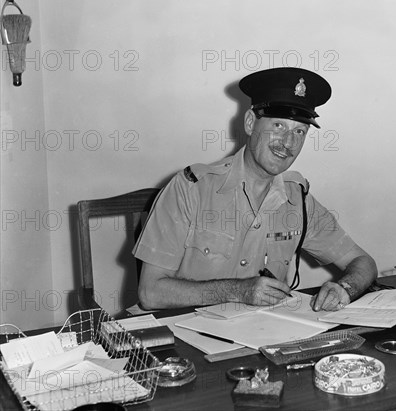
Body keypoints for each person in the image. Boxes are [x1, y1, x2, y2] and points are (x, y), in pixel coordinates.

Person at [134, 67, 378, 312]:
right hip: (184, 334)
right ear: (250, 122)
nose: (288, 143)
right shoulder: (191, 188)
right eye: (279, 126)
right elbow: (150, 293)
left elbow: (363, 262)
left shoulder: (299, 200)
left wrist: (345, 289)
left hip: (262, 338)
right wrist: (238, 291)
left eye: (299, 132)